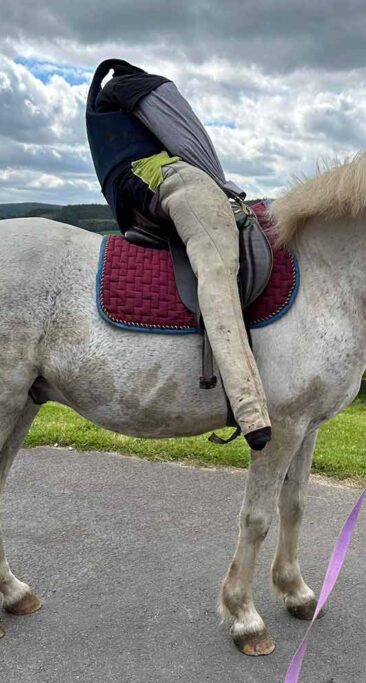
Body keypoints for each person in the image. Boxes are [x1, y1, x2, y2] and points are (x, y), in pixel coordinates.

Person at [86, 59, 271, 451]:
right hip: (166, 176)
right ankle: (249, 405)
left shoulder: (105, 108)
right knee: (218, 267)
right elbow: (188, 142)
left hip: (133, 195)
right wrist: (223, 191)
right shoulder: (138, 88)